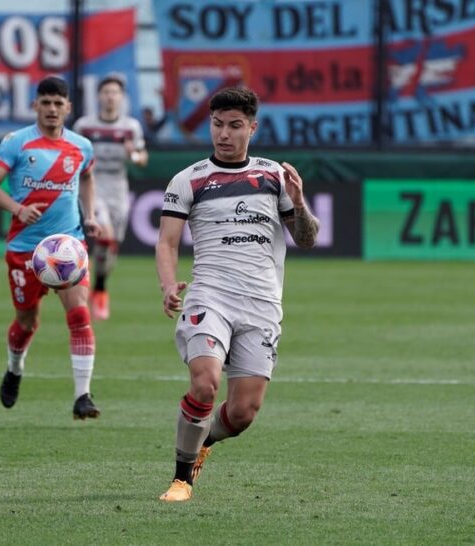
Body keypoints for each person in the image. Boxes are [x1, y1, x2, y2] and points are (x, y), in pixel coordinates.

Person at [155, 87, 321, 502]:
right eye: (217, 124)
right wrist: (167, 282)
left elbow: (306, 240)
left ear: (252, 127)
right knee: (206, 384)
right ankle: (181, 479)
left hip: (262, 304)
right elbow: (167, 242)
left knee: (243, 413)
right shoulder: (189, 179)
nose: (224, 134)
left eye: (234, 126)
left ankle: (200, 441)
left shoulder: (273, 177)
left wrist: (299, 204)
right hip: (209, 297)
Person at [0, 76, 102, 419]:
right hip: (25, 249)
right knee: (26, 321)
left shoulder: (81, 146)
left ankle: (83, 396)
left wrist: (90, 215)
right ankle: (15, 368)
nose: (52, 109)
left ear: (68, 107)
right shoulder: (16, 143)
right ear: (35, 105)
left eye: (58, 103)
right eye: (45, 102)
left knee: (79, 313)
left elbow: (88, 177)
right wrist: (18, 209)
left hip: (68, 245)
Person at [72, 74, 148, 320]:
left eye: (115, 93)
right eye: (106, 92)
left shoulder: (130, 127)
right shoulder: (84, 126)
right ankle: (86, 282)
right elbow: (72, 156)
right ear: (98, 96)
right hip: (92, 184)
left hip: (118, 187)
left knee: (111, 244)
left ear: (122, 98)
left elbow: (141, 159)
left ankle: (101, 287)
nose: (110, 97)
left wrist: (132, 155)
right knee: (104, 233)